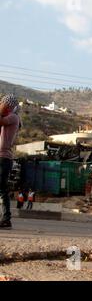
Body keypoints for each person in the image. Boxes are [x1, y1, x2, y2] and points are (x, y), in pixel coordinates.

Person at [0, 95, 21, 229]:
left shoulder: (13, 117)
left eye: (4, 104)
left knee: (2, 188)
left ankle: (6, 219)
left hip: (4, 158)